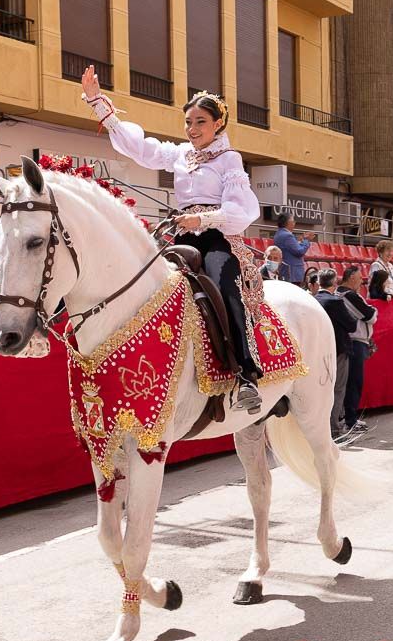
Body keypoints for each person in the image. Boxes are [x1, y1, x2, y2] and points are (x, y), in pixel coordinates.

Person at [83, 68, 264, 411]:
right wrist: (97, 102)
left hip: (215, 237)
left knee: (224, 287)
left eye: (200, 122)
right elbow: (140, 148)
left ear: (217, 125)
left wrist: (203, 218)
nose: (192, 130)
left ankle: (245, 375)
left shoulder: (229, 159)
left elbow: (242, 209)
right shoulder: (179, 154)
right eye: (188, 123)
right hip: (180, 235)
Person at [316, 269, 360, 438]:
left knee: (321, 390)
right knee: (337, 389)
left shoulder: (313, 300)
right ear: (334, 283)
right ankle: (334, 429)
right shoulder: (334, 301)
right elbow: (351, 325)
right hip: (338, 350)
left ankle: (325, 428)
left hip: (318, 350)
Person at [337, 266, 377, 433]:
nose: (362, 281)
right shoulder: (348, 295)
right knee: (354, 382)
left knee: (351, 382)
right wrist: (374, 311)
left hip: (356, 341)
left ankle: (349, 418)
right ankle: (350, 420)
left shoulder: (347, 294)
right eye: (360, 278)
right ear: (351, 278)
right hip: (355, 342)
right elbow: (370, 316)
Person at [272, 211, 314, 286]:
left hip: (287, 271)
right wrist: (306, 240)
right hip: (292, 273)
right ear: (288, 222)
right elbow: (299, 251)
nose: (295, 222)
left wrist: (302, 241)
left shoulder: (279, 234)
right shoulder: (287, 236)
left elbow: (292, 248)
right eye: (293, 220)